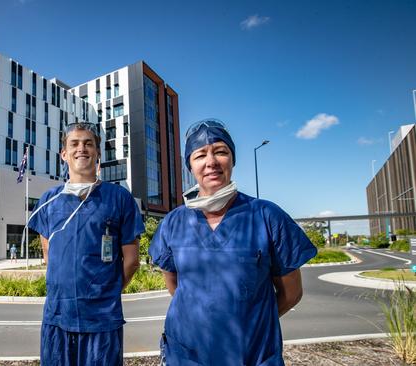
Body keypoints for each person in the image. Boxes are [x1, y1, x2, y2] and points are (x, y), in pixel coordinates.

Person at [149, 118, 317, 365]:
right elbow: (176, 287)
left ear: (232, 159)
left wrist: (246, 323)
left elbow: (291, 293)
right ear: (190, 166)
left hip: (252, 354)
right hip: (186, 354)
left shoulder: (267, 216)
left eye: (220, 152)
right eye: (200, 155)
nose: (211, 162)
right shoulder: (173, 222)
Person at [28, 122, 144, 365]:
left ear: (98, 153)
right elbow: (50, 256)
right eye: (75, 143)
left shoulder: (119, 198)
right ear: (64, 153)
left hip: (102, 319)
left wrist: (104, 291)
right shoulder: (49, 200)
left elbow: (132, 260)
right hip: (57, 317)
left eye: (89, 143)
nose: (82, 148)